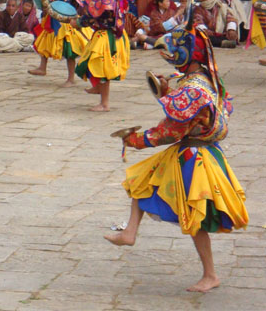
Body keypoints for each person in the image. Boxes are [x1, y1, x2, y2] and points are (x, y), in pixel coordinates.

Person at [105, 28, 247, 293]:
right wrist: (167, 94)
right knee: (143, 180)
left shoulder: (193, 88)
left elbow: (170, 131)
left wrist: (135, 140)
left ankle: (210, 274)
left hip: (196, 156)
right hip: (201, 151)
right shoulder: (206, 78)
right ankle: (130, 232)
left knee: (194, 217)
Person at [29, 0, 91, 85]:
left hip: (67, 22)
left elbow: (68, 6)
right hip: (54, 18)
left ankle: (71, 78)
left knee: (69, 51)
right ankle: (42, 67)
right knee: (44, 40)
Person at [74, 0, 130, 112]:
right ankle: (98, 88)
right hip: (111, 36)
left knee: (103, 70)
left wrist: (76, 23)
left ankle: (104, 104)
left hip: (106, 38)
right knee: (93, 66)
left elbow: (87, 19)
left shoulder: (102, 3)